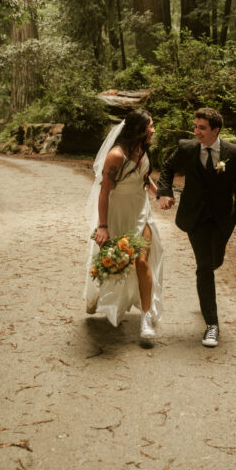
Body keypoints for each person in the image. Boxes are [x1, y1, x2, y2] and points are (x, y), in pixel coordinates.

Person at [156, 107, 236, 348]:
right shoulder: (187, 148)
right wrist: (164, 193)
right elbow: (166, 167)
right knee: (204, 267)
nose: (196, 131)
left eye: (202, 128)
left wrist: (234, 219)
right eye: (195, 127)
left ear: (215, 130)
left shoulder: (234, 153)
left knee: (215, 260)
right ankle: (212, 324)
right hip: (195, 218)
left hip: (222, 220)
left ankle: (212, 275)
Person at [84, 109, 162, 344]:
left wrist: (160, 195)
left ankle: (146, 317)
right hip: (118, 213)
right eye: (150, 125)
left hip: (141, 212)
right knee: (116, 260)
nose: (154, 129)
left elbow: (144, 177)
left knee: (141, 260)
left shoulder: (143, 150)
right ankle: (100, 297)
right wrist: (103, 226)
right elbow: (104, 191)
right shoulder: (116, 156)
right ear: (139, 129)